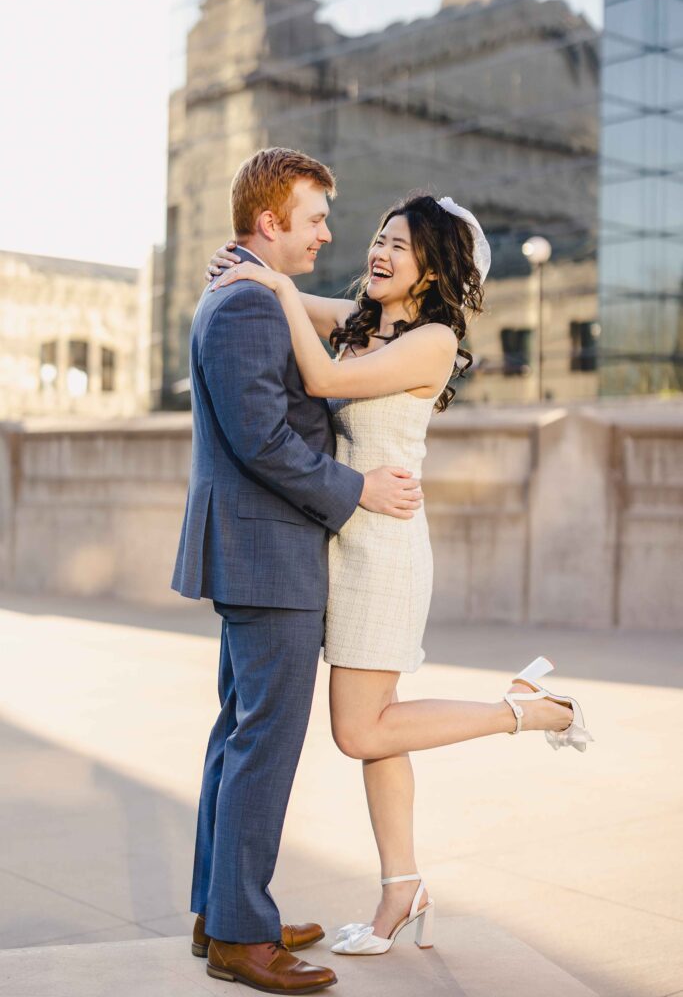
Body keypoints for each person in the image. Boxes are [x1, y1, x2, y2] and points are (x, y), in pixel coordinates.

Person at [206, 192, 594, 957]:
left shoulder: (433, 340)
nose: (378, 254)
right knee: (382, 734)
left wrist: (277, 288)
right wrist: (254, 271)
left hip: (383, 547)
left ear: (431, 269)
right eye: (378, 240)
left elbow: (316, 379)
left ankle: (521, 708)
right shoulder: (362, 321)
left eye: (400, 248)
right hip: (346, 536)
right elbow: (292, 298)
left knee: (359, 730)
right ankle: (399, 890)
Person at [172, 147, 424, 995]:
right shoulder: (245, 307)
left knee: (237, 735)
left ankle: (223, 910)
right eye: (314, 219)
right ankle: (241, 936)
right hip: (267, 551)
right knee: (261, 744)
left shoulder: (249, 296)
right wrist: (357, 491)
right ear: (270, 222)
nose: (326, 234)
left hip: (256, 550)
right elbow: (264, 442)